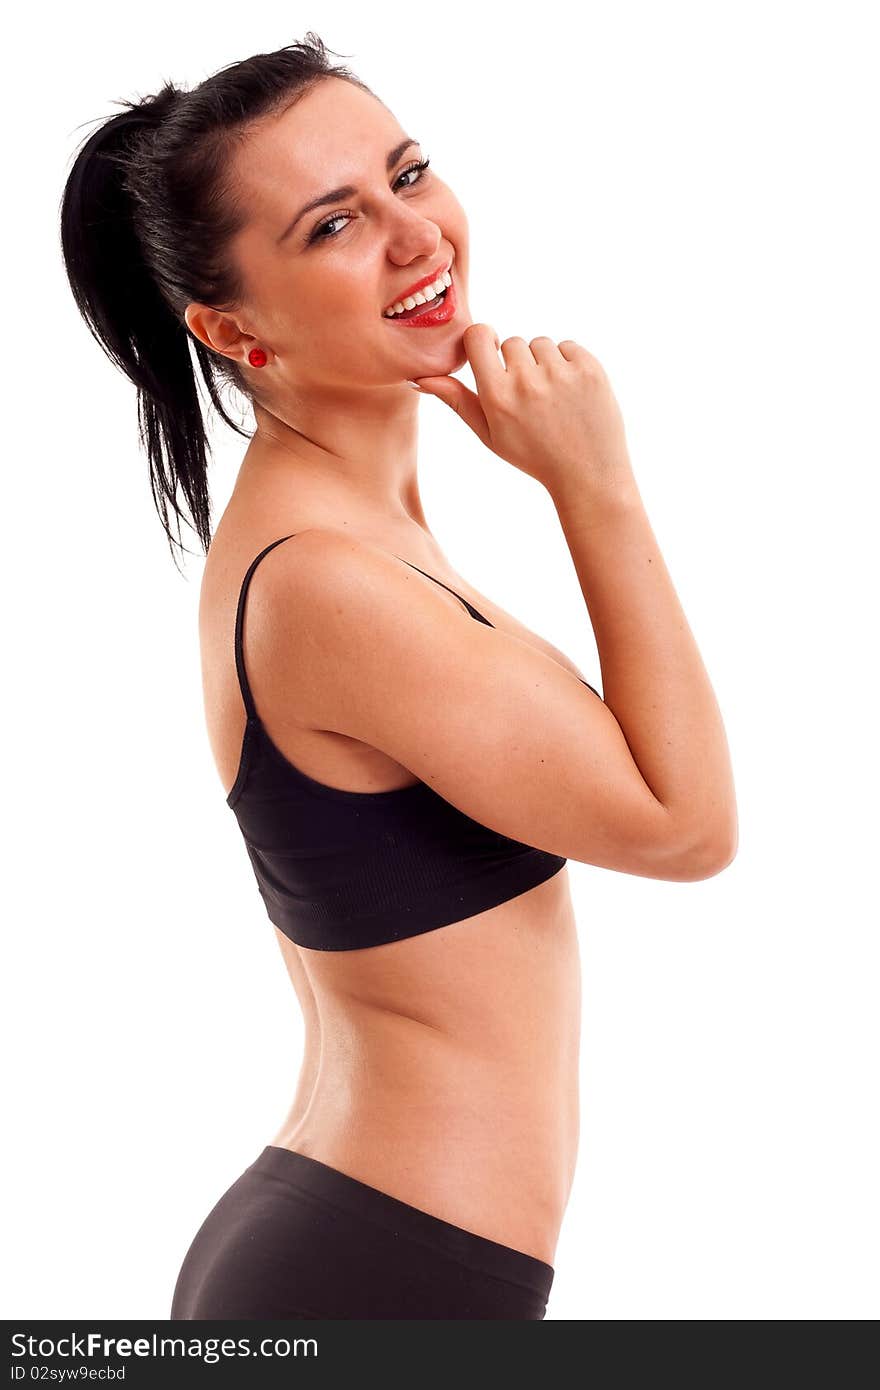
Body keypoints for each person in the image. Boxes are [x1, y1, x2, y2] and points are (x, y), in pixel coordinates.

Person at [60, 34, 737, 1321]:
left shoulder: (349, 536)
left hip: (371, 1250)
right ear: (228, 327)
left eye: (408, 174)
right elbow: (685, 826)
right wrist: (596, 486)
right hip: (383, 1273)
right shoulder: (327, 581)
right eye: (332, 225)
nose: (414, 234)